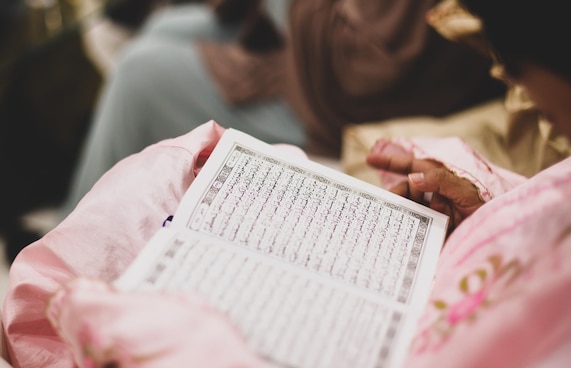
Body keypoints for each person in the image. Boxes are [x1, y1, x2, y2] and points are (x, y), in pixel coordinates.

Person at [2, 1, 571, 368]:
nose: (510, 82)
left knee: (141, 158)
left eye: (520, 64)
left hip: (349, 364)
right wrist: (485, 203)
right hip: (395, 290)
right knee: (172, 185)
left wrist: (176, 353)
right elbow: (552, 217)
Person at [57, 0, 504, 219]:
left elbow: (369, 67)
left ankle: (66, 255)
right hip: (314, 51)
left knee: (142, 74)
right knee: (159, 28)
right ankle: (117, 221)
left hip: (343, 94)